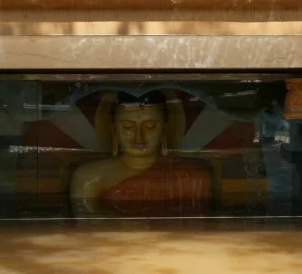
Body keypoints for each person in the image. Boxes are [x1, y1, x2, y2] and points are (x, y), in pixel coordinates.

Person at [69, 91, 210, 215]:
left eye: (150, 126)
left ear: (165, 129)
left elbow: (196, 227)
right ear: (113, 129)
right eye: (128, 126)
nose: (139, 137)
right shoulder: (89, 177)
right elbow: (88, 228)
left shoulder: (191, 177)